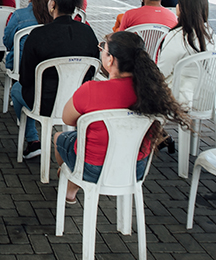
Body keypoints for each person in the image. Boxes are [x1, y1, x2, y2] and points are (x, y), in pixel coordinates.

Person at [54, 31, 191, 203]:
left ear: (110, 59)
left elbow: (67, 119)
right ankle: (72, 183)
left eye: (103, 49)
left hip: (93, 168)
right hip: (135, 168)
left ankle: (71, 186)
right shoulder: (154, 94)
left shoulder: (90, 90)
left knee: (60, 138)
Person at [13, 0, 98, 159]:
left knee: (16, 89)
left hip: (43, 102)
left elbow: (25, 77)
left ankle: (33, 139)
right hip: (77, 101)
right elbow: (92, 71)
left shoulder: (38, 35)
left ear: (52, 5)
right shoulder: (87, 32)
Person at [156, 0, 216, 104]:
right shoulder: (210, 34)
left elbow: (163, 71)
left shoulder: (176, 36)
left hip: (180, 96)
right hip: (208, 96)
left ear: (183, 9)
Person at [1, 0, 53, 71]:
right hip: (47, 66)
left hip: (20, 64)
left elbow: (7, 42)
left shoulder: (18, 15)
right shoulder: (54, 17)